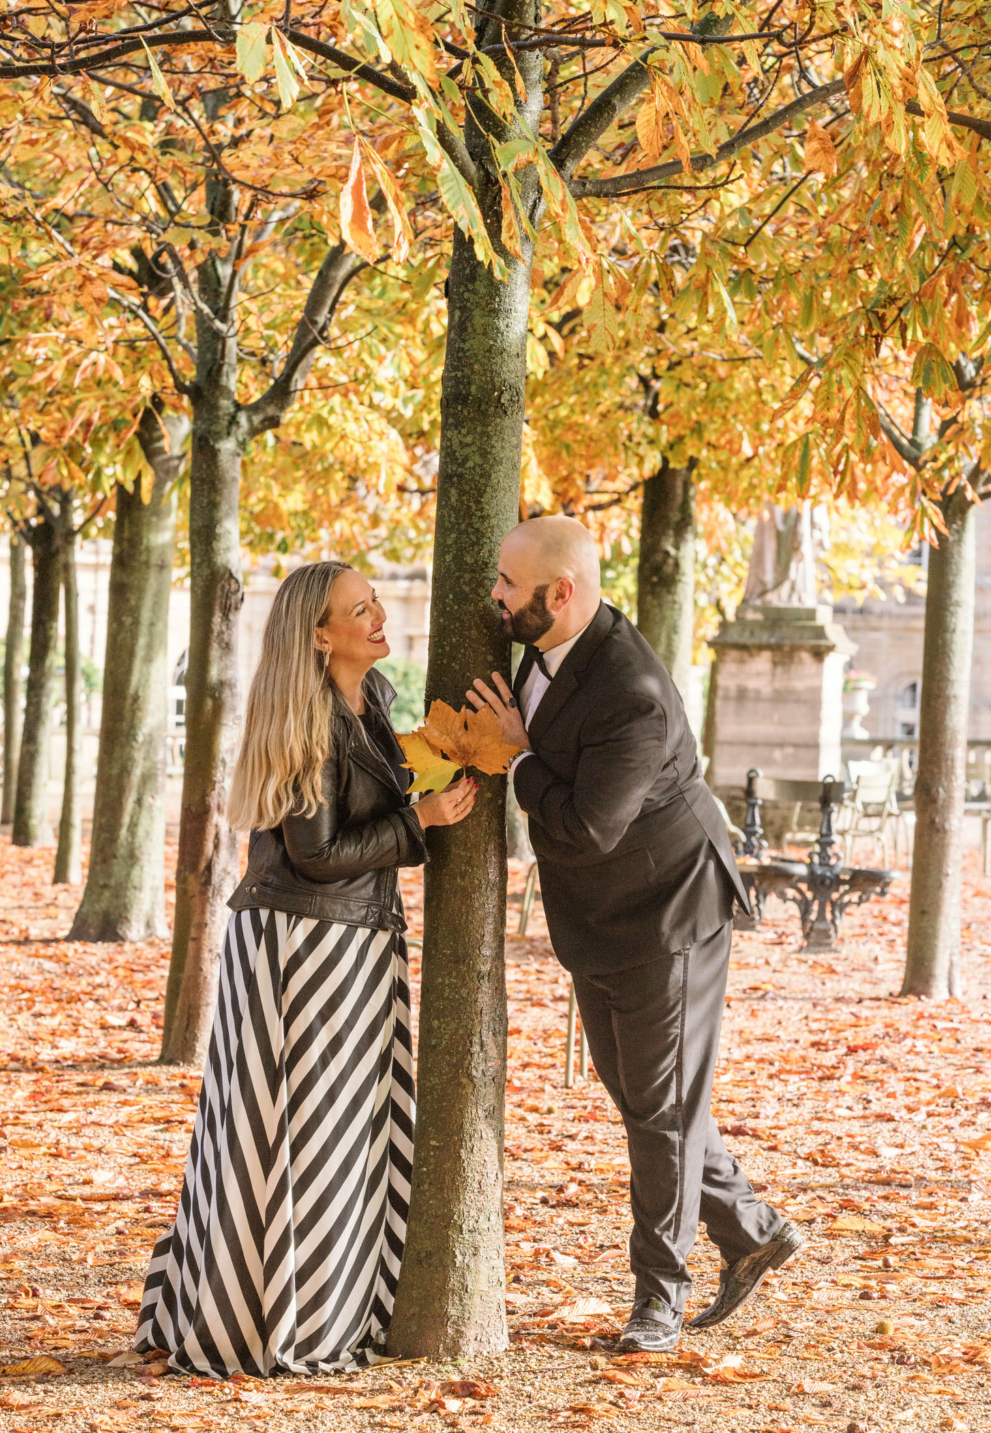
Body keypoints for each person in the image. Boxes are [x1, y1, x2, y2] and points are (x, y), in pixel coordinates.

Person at [467, 516, 802, 1351]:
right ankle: (755, 1228)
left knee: (657, 1110)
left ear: (564, 593)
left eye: (509, 586)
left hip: (668, 913)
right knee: (648, 1102)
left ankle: (660, 1296)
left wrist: (512, 756)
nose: (494, 599)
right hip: (598, 917)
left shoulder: (631, 695)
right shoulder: (537, 639)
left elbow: (585, 829)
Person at [136, 562, 476, 1377]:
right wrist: (420, 820)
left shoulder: (376, 698)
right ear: (320, 634)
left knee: (341, 1138)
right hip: (300, 948)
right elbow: (316, 853)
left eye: (373, 602)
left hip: (355, 943)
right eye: (360, 609)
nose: (378, 615)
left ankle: (332, 1307)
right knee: (289, 1137)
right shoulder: (308, 718)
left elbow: (369, 804)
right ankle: (267, 1324)